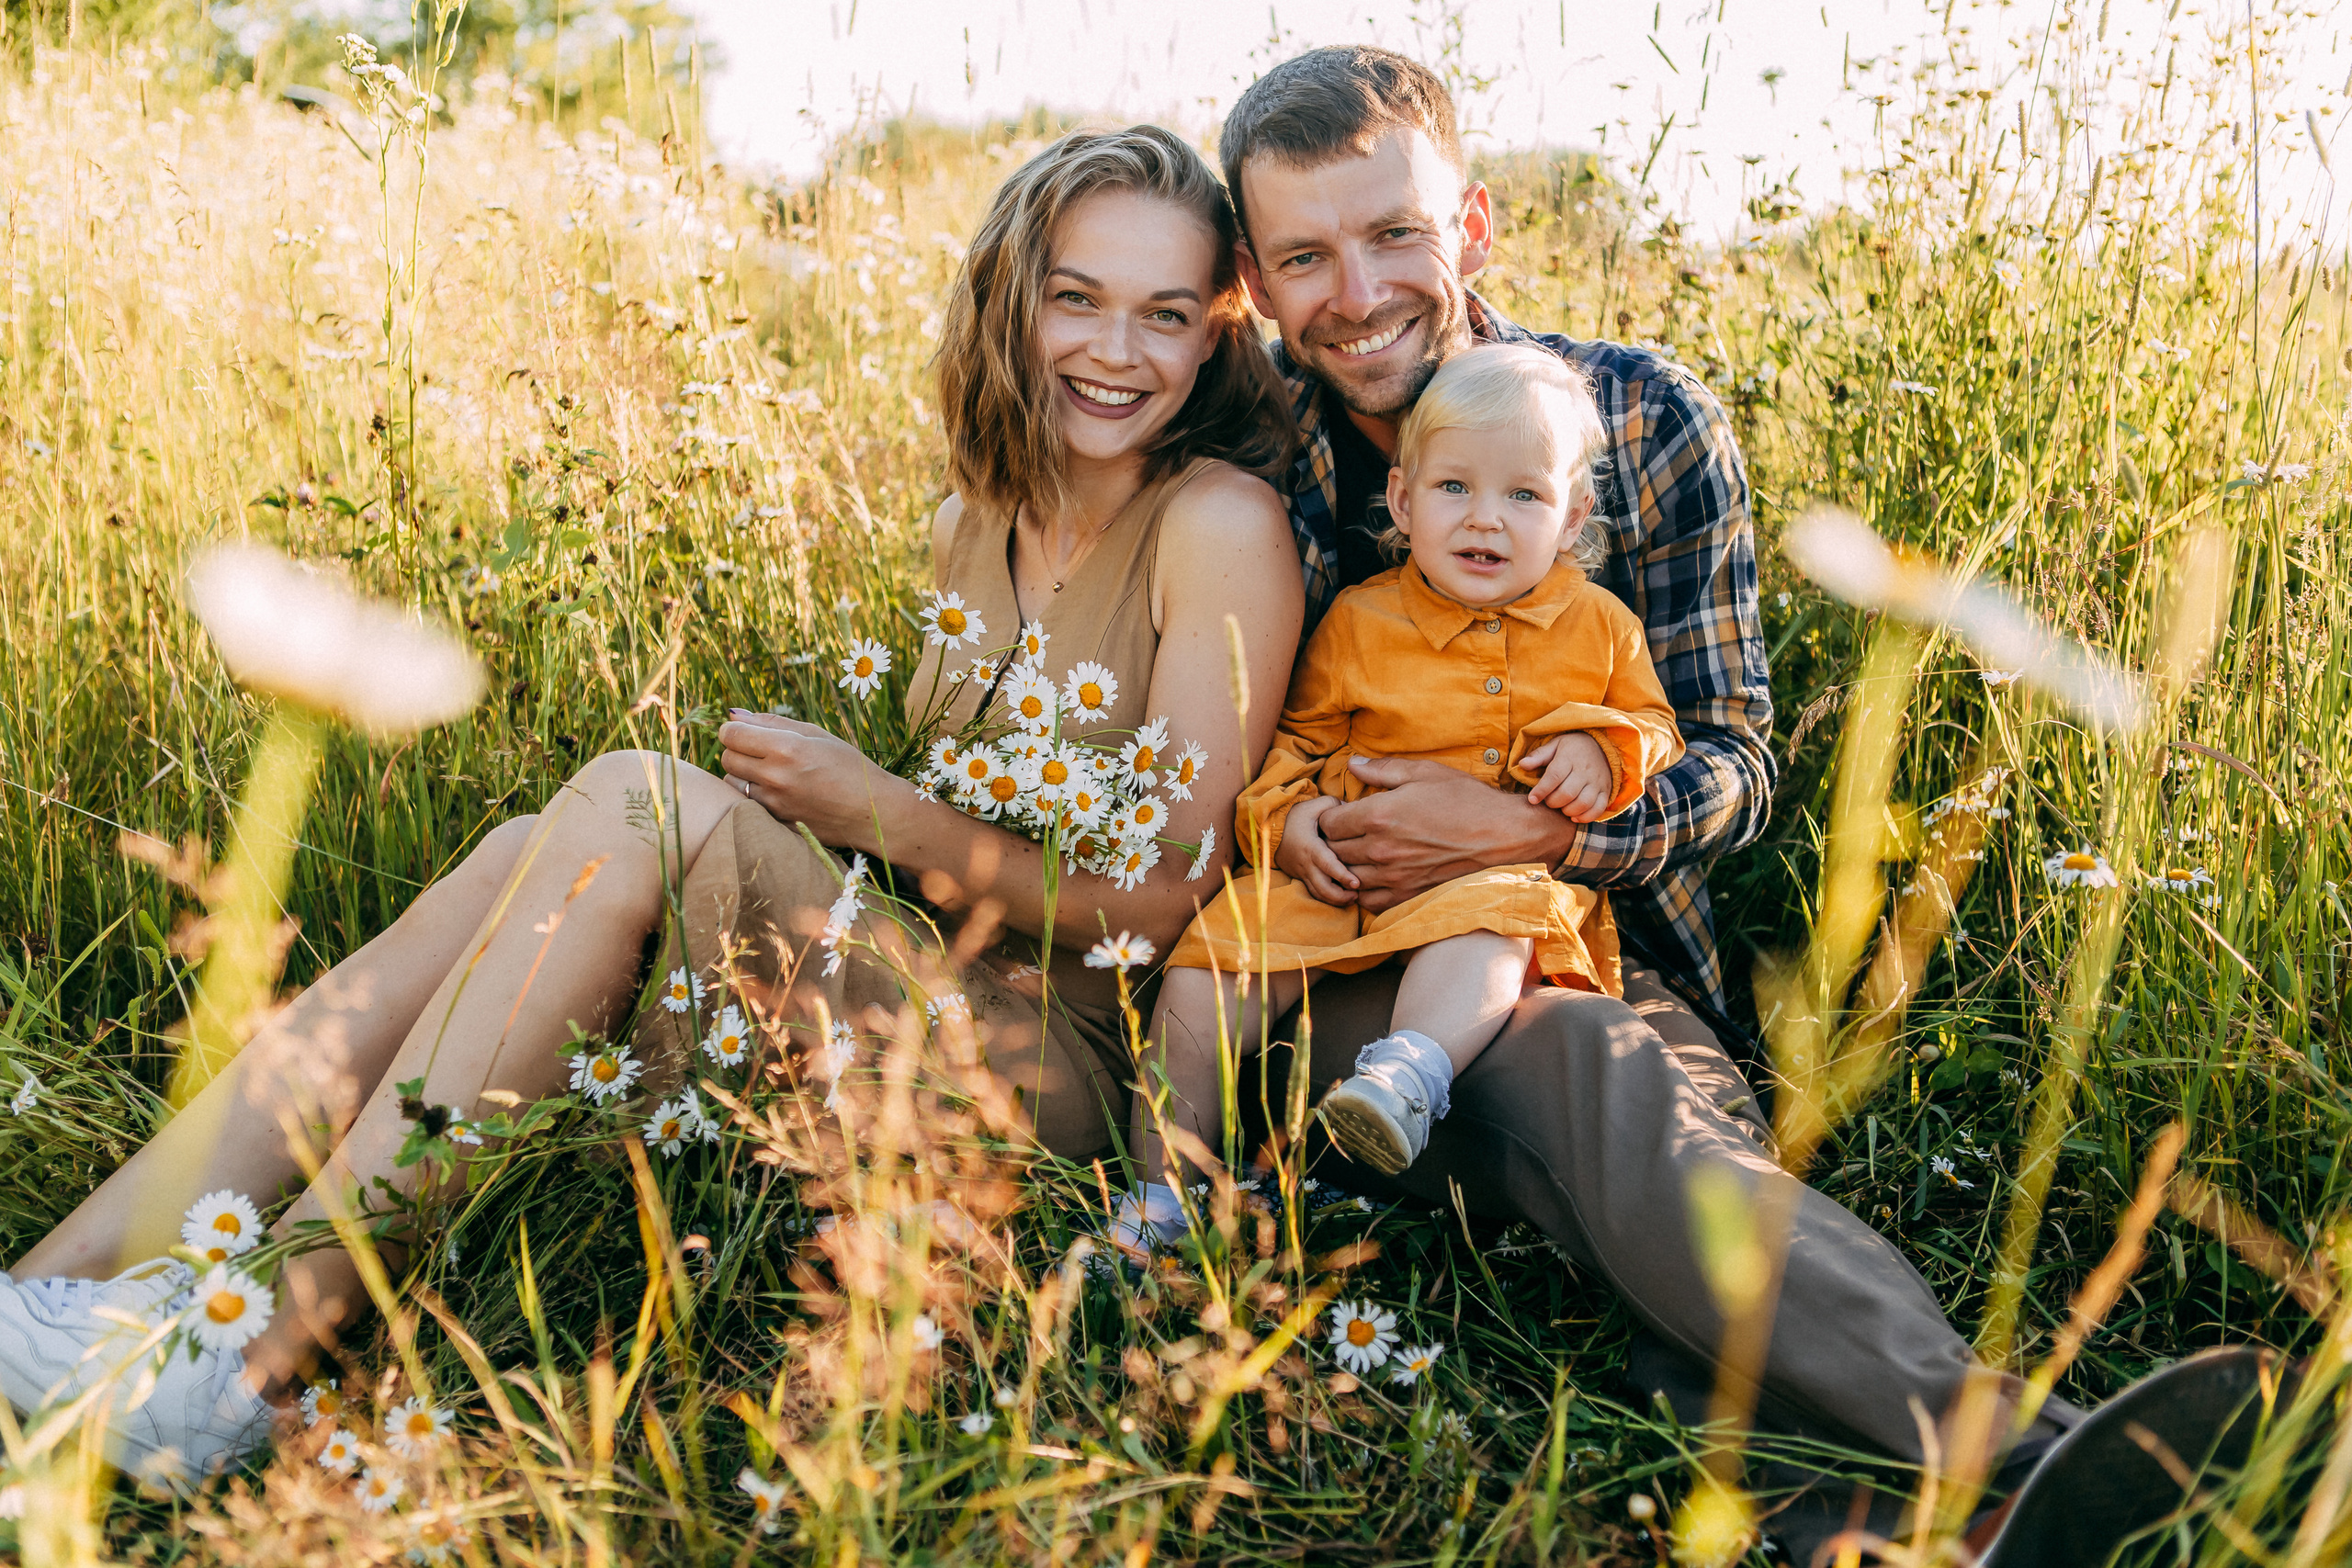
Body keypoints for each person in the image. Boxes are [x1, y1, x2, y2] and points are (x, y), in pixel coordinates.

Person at [0, 124, 1305, 1487]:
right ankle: (56, 1293)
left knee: (634, 800)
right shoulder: (970, 517)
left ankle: (255, 1359)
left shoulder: (1216, 525)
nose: (1117, 350)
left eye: (1167, 314)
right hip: (915, 978)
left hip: (1064, 1075)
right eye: (1077, 297)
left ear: (1215, 336)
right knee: (525, 850)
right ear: (1011, 299)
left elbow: (1171, 901)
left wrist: (881, 816)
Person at [1214, 43, 2086, 1550]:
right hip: (1330, 982)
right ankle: (2016, 1444)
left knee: (1627, 1126)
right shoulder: (1249, 460)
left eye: (1394, 234)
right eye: (1304, 255)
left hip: (1595, 949)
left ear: (1472, 226)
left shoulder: (1630, 421)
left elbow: (1736, 757)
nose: (1355, 292)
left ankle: (1881, 1528)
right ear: (1255, 277)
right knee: (1597, 1084)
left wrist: (1549, 828)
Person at [1122, 345, 1679, 1234]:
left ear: (1572, 519)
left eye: (1523, 496)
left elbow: (1657, 728)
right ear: (1404, 500)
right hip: (1340, 879)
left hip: (1478, 889)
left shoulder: (1599, 626)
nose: (1485, 520)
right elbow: (1295, 744)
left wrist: (1602, 749)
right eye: (1454, 488)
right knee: (1210, 958)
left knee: (1497, 926)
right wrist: (1293, 821)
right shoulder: (1359, 619)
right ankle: (1164, 1191)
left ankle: (1406, 1075)